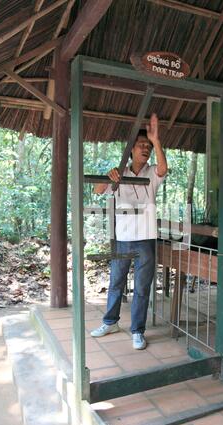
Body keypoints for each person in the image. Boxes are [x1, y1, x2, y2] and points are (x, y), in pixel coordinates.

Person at [91, 113, 168, 350]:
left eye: (148, 146)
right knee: (116, 283)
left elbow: (164, 169)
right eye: (141, 145)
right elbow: (97, 190)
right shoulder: (118, 173)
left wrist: (156, 141)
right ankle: (110, 322)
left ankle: (137, 331)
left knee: (142, 289)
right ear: (131, 149)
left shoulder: (152, 173)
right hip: (122, 240)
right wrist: (110, 175)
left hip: (145, 240)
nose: (145, 149)